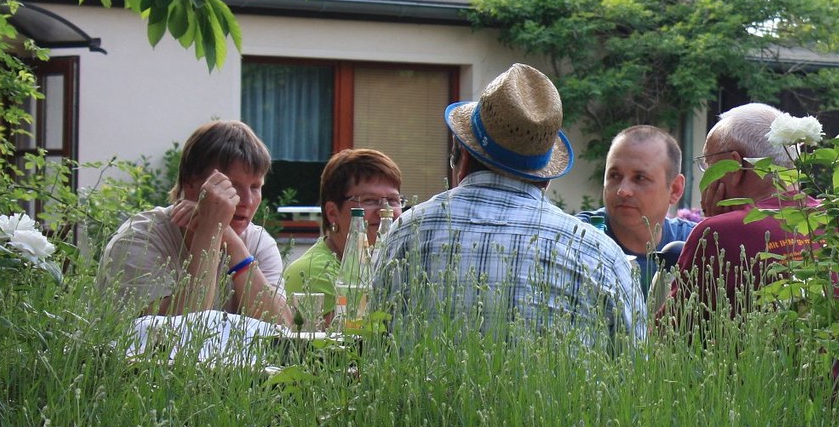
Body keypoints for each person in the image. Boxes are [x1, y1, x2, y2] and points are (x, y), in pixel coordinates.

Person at [371, 64, 645, 345]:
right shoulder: (600, 255)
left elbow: (373, 346)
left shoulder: (405, 233)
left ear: (461, 157)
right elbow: (634, 370)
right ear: (544, 179)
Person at [100, 119, 290, 325]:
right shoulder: (139, 239)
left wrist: (231, 242)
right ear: (190, 182)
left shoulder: (259, 242)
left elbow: (282, 332)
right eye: (231, 186)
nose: (247, 200)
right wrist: (210, 231)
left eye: (255, 187)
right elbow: (177, 337)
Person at [668, 103, 820, 317]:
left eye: (707, 164)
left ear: (734, 167)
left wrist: (721, 230)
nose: (705, 177)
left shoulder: (717, 234)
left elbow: (669, 336)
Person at [281, 149, 404, 327]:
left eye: (393, 200)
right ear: (333, 213)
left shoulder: (392, 263)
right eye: (369, 200)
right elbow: (356, 345)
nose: (386, 210)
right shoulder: (313, 272)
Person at [577, 125, 695, 299]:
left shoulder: (696, 245)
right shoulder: (577, 240)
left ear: (675, 189)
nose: (623, 190)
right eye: (614, 176)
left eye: (640, 178)